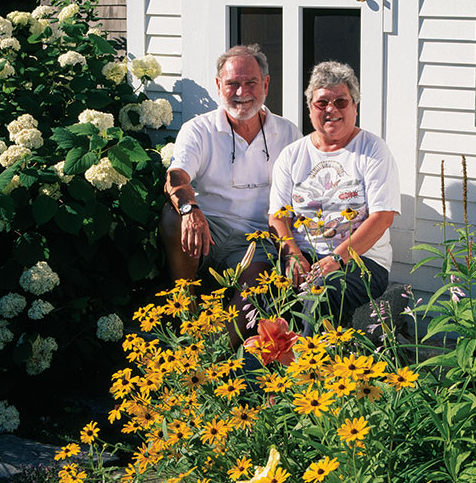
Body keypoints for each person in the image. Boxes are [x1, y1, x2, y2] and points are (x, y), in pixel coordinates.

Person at [161, 44, 300, 341]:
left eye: (250, 82)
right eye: (232, 84)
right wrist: (190, 211)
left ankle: (212, 349)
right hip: (207, 231)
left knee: (260, 282)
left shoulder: (288, 133)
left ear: (265, 84)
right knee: (173, 217)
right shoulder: (198, 129)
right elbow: (175, 176)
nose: (241, 92)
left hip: (256, 240)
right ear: (218, 86)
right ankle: (187, 313)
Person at [269, 61, 400, 326]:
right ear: (310, 109)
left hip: (361, 262)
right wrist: (292, 253)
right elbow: (277, 216)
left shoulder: (373, 150)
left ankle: (303, 366)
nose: (332, 110)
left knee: (320, 295)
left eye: (341, 102)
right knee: (262, 289)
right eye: (322, 103)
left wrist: (337, 259)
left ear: (355, 106)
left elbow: (383, 217)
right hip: (303, 255)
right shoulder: (292, 155)